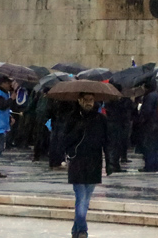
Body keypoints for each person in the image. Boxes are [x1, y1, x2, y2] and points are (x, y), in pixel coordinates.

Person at [64, 92, 108, 238]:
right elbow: (64, 140)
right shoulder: (73, 118)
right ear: (79, 100)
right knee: (81, 198)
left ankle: (76, 231)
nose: (89, 103)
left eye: (91, 100)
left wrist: (111, 163)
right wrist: (78, 128)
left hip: (94, 163)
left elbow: (107, 141)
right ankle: (83, 230)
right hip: (77, 162)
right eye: (86, 100)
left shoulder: (100, 119)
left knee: (85, 200)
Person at [104, 86, 133, 174]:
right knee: (115, 145)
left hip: (114, 124)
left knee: (115, 145)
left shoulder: (109, 100)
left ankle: (114, 164)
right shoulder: (117, 101)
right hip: (117, 125)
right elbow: (124, 111)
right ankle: (114, 164)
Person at [137, 82, 158, 173]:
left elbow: (147, 110)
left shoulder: (149, 96)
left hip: (150, 124)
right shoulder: (157, 95)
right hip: (157, 124)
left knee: (149, 146)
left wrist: (142, 119)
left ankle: (149, 166)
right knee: (154, 146)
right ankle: (154, 165)